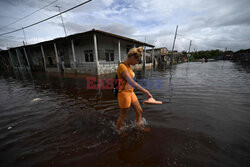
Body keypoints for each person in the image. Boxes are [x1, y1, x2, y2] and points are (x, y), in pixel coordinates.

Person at [116, 46, 153, 132]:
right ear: (132, 57)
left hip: (130, 92)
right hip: (124, 94)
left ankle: (139, 127)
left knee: (139, 110)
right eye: (137, 60)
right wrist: (146, 91)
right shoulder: (122, 66)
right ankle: (118, 131)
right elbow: (131, 82)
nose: (137, 63)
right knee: (123, 115)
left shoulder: (128, 66)